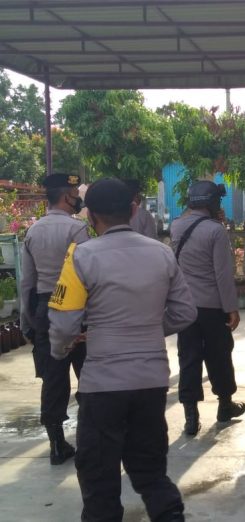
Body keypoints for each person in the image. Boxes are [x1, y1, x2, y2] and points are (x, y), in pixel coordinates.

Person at [48, 178, 196, 522]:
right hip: (151, 381)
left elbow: (65, 324)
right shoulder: (161, 253)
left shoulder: (81, 255)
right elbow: (185, 312)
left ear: (90, 216)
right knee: (150, 470)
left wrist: (59, 351)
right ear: (132, 210)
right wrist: (147, 328)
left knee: (99, 475)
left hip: (103, 384)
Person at [19, 172, 89, 465]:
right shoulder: (78, 229)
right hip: (77, 306)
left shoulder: (33, 232)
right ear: (66, 197)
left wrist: (27, 320)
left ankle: (57, 445)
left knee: (53, 377)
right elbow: (87, 274)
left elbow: (27, 282)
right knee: (89, 373)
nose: (78, 199)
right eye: (75, 194)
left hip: (45, 308)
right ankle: (91, 437)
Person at [170, 180, 245, 436]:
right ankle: (225, 406)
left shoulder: (177, 226)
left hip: (185, 307)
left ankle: (191, 417)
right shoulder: (215, 231)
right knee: (219, 356)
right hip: (212, 307)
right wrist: (232, 308)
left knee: (188, 358)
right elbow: (222, 274)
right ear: (212, 202)